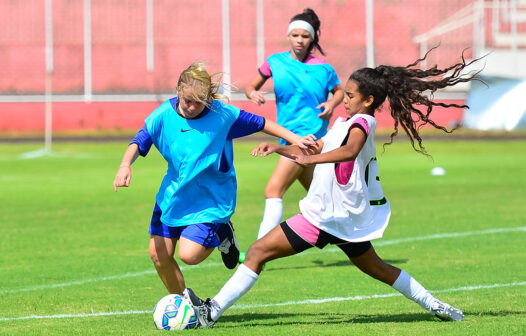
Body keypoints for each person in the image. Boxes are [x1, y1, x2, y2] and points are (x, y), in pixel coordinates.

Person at [184, 50, 483, 327]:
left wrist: (307, 157)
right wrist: (278, 148)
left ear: (367, 100)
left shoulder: (363, 122)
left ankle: (211, 313)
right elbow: (315, 147)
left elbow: (350, 151)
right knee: (377, 268)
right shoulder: (343, 121)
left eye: (350, 95)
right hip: (341, 216)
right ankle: (435, 305)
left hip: (326, 215)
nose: (345, 99)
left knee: (258, 252)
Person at [113, 62, 315, 295]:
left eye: (199, 102)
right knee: (158, 255)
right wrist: (125, 165)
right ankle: (182, 305)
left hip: (211, 199)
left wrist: (295, 140)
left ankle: (222, 232)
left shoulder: (222, 115)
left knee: (189, 255)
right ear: (178, 91)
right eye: (187, 100)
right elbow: (139, 140)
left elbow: (263, 123)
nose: (192, 107)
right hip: (173, 196)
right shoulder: (163, 115)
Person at [245, 8, 344, 242]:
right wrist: (253, 94)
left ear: (312, 39)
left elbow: (339, 91)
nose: (300, 40)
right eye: (295, 35)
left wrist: (331, 104)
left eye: (305, 36)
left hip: (308, 138)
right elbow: (251, 87)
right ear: (288, 36)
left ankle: (258, 250)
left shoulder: (323, 68)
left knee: (273, 190)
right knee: (320, 198)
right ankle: (349, 237)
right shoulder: (274, 62)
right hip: (286, 136)